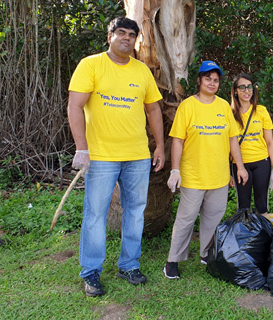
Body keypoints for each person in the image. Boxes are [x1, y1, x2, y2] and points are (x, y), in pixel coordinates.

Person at [67, 17, 164, 297]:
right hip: (101, 157)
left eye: (131, 35)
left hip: (136, 156)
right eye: (120, 33)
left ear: (136, 41)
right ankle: (91, 273)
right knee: (95, 215)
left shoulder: (142, 71)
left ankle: (129, 265)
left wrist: (159, 147)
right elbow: (75, 106)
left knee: (135, 213)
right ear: (109, 36)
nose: (126, 38)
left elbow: (154, 110)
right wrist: (81, 148)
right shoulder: (91, 65)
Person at [164, 61, 248, 279]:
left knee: (213, 219)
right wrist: (175, 170)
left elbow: (232, 140)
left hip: (218, 176)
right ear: (199, 80)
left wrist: (239, 167)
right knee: (186, 219)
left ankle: (207, 253)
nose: (212, 83)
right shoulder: (187, 106)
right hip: (193, 176)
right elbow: (177, 141)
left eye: (216, 80)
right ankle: (173, 260)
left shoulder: (223, 107)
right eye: (208, 79)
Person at [229, 73, 273, 215]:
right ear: (235, 91)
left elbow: (270, 142)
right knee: (243, 205)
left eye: (250, 87)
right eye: (242, 87)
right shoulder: (229, 113)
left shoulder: (261, 111)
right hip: (240, 164)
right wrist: (228, 172)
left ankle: (262, 234)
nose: (247, 91)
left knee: (261, 203)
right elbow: (226, 145)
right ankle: (245, 233)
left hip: (261, 162)